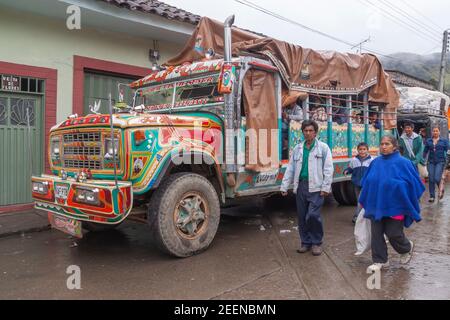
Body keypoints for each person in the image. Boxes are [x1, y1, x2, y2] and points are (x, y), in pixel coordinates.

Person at [359, 135, 425, 271]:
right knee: (376, 233)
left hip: (396, 206)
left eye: (387, 144)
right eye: (382, 144)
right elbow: (366, 181)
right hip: (377, 205)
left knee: (393, 233)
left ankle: (406, 248)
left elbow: (416, 184)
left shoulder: (405, 163)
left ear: (394, 146)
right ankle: (380, 260)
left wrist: (397, 186)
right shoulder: (375, 162)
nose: (383, 146)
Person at [280, 120, 334, 256]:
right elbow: (291, 168)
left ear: (315, 132)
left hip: (316, 187)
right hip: (301, 186)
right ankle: (305, 242)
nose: (308, 133)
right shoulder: (298, 148)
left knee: (313, 215)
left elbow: (328, 169)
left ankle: (316, 243)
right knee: (302, 216)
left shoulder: (323, 148)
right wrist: (284, 186)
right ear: (302, 132)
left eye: (311, 131)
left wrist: (325, 187)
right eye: (305, 131)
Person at [344, 143, 375, 223]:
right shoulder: (354, 160)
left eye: (364, 149)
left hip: (366, 184)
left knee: (361, 200)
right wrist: (347, 171)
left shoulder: (371, 160)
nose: (362, 151)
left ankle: (357, 216)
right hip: (357, 183)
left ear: (367, 150)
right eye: (360, 149)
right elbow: (351, 168)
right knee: (359, 199)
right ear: (357, 150)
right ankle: (364, 216)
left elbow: (374, 171)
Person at [423, 127, 449, 202]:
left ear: (439, 132)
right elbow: (425, 151)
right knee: (431, 178)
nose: (435, 132)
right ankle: (432, 196)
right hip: (431, 162)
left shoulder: (444, 141)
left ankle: (441, 189)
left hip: (440, 162)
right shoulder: (429, 141)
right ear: (432, 132)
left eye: (436, 131)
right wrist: (423, 159)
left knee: (437, 178)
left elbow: (448, 150)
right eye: (434, 131)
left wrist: (448, 161)